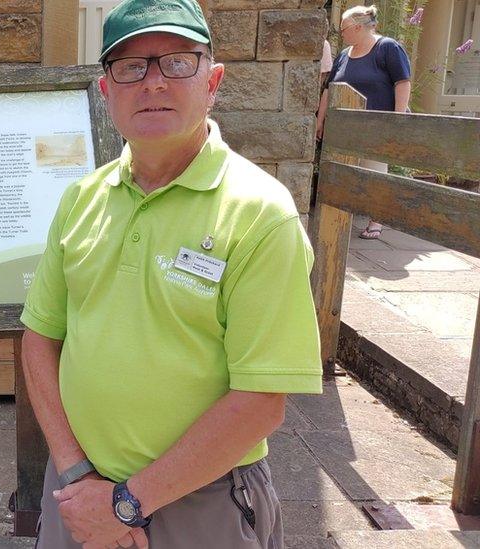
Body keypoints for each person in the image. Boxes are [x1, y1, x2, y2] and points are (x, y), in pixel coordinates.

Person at [19, 0, 323, 547]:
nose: (153, 83)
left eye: (178, 61)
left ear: (214, 81)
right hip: (78, 494)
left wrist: (128, 504)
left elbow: (261, 399)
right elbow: (40, 339)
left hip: (201, 502)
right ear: (106, 90)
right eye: (131, 66)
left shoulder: (259, 214)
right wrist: (77, 476)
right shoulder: (81, 199)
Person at [316, 5, 412, 240]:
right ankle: (341, 219)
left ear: (358, 27)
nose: (342, 34)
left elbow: (403, 82)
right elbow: (329, 89)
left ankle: (376, 220)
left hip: (377, 126)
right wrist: (320, 120)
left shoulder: (388, 48)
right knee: (346, 174)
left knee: (375, 172)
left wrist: (398, 120)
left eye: (344, 29)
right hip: (345, 129)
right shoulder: (343, 55)